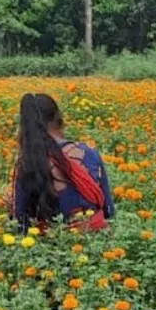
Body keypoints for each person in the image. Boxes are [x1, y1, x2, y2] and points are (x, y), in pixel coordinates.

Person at [9, 93, 115, 233]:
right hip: (96, 240)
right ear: (59, 118)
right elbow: (108, 211)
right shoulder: (89, 153)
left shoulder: (28, 163)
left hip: (51, 248)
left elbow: (21, 222)